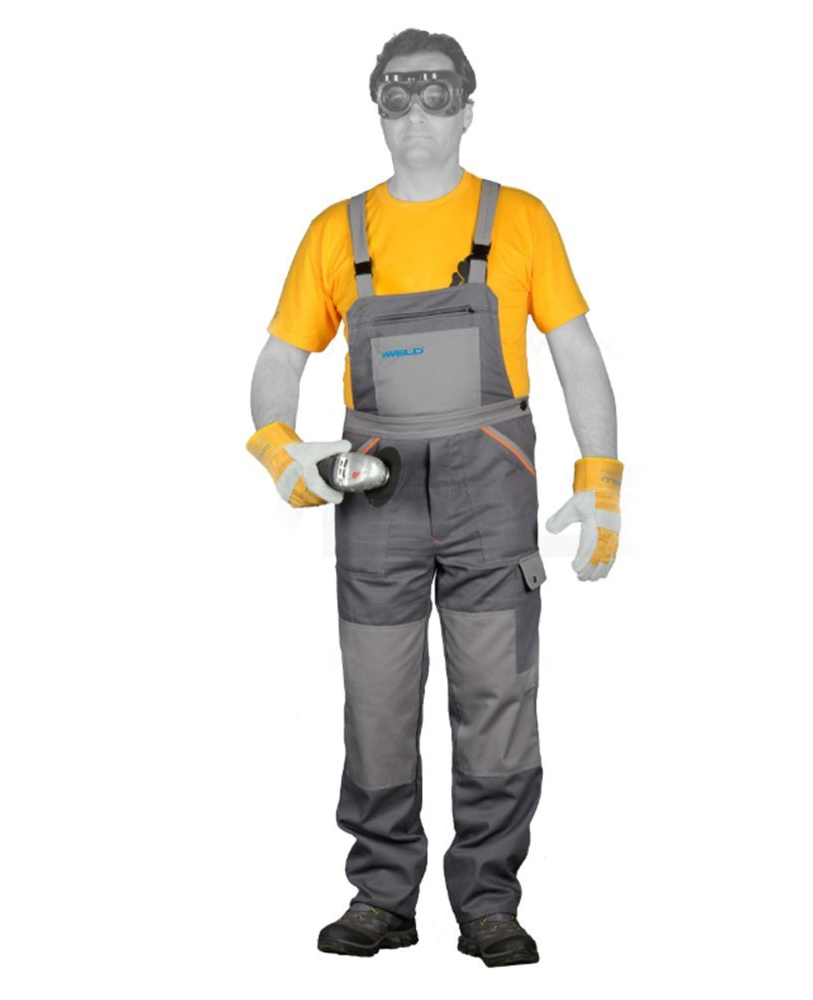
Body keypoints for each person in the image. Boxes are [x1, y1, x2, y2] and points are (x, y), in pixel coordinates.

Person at [246, 28, 622, 968]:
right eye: (397, 93)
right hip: (374, 495)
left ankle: (489, 903)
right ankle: (382, 897)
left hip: (490, 491)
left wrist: (601, 480)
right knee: (378, 700)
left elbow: (576, 352)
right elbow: (279, 361)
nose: (417, 110)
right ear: (377, 108)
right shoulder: (337, 231)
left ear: (468, 108)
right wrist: (280, 450)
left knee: (498, 697)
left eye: (437, 92)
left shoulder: (520, 217)